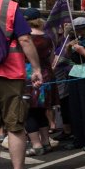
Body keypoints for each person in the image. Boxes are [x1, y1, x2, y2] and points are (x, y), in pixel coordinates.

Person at [0, 0, 43, 169]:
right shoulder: (8, 8)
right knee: (14, 126)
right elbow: (25, 39)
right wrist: (36, 69)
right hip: (9, 75)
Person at [24, 16, 60, 157]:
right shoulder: (48, 38)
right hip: (46, 74)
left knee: (29, 111)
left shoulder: (25, 37)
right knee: (41, 110)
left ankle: (36, 145)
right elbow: (52, 59)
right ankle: (46, 143)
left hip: (30, 74)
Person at [65, 17, 85, 152]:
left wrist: (82, 51)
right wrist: (69, 48)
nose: (79, 32)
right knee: (75, 106)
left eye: (81, 30)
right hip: (76, 73)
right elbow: (69, 57)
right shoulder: (76, 40)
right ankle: (78, 137)